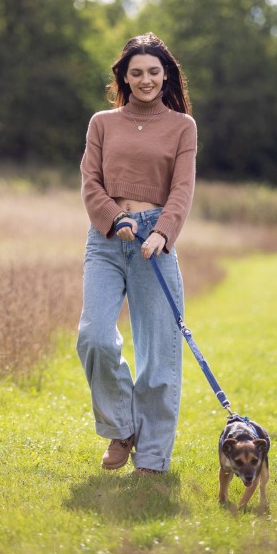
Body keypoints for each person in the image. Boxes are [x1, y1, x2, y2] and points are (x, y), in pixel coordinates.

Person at [76, 32, 197, 475]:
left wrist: (162, 232)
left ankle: (152, 459)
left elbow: (182, 189)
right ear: (124, 78)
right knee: (93, 336)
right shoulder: (102, 123)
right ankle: (121, 429)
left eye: (153, 71)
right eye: (136, 72)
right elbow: (91, 182)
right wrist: (113, 218)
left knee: (159, 357)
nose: (145, 79)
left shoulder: (183, 127)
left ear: (165, 76)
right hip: (107, 241)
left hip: (155, 246)